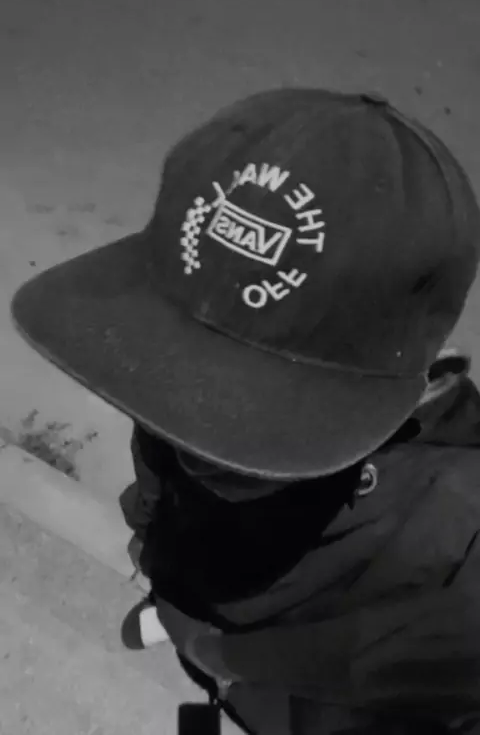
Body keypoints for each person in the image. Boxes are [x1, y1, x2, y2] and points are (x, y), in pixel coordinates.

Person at [11, 88, 480, 734]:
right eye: (173, 366)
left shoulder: (456, 544)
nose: (192, 442)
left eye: (265, 407)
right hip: (197, 590)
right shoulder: (178, 422)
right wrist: (153, 549)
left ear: (428, 383)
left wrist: (230, 664)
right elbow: (160, 474)